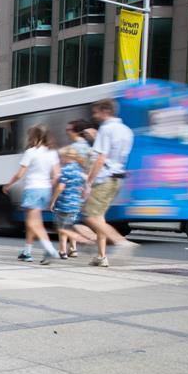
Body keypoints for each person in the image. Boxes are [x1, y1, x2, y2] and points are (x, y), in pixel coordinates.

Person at [82, 99, 136, 267]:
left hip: (104, 178)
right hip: (116, 179)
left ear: (105, 111)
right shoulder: (127, 130)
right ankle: (101, 256)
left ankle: (121, 242)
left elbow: (101, 158)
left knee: (90, 217)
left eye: (96, 112)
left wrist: (88, 182)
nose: (94, 116)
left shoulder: (106, 129)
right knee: (99, 218)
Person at [2, 125, 60, 264]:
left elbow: (19, 174)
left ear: (33, 136)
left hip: (33, 189)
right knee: (33, 222)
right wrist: (49, 185)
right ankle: (27, 252)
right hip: (45, 190)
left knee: (32, 223)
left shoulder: (31, 152)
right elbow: (57, 174)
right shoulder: (52, 153)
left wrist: (8, 185)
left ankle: (50, 249)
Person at [50, 147, 87, 259]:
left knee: (63, 228)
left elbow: (60, 187)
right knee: (71, 226)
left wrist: (53, 201)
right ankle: (73, 249)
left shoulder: (65, 170)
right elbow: (83, 187)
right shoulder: (79, 170)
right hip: (75, 204)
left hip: (64, 203)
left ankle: (62, 251)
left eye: (61, 157)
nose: (60, 159)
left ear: (66, 157)